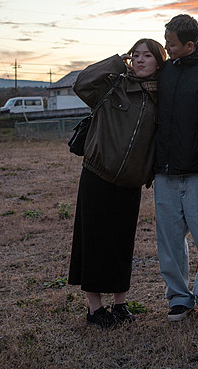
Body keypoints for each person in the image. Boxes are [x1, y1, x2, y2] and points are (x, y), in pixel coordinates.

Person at [68, 39, 167, 328]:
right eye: (135, 55)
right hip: (98, 175)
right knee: (94, 241)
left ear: (158, 62)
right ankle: (94, 309)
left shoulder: (161, 97)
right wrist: (114, 62)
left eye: (147, 55)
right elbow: (81, 83)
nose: (139, 60)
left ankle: (120, 304)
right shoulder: (114, 86)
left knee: (122, 244)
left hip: (131, 182)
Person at [154, 14, 198, 322]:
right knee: (168, 240)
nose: (166, 48)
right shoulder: (164, 72)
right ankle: (179, 298)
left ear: (190, 45)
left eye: (171, 44)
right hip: (164, 171)